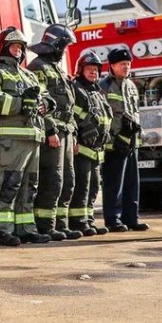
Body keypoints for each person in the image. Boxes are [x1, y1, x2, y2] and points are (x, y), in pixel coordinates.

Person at [0, 27, 53, 246]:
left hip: (32, 137)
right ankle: (2, 231)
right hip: (8, 138)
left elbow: (46, 98)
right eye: (14, 46)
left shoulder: (29, 75)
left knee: (29, 186)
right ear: (3, 47)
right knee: (6, 184)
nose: (18, 51)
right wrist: (21, 103)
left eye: (21, 47)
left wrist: (46, 105)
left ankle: (25, 229)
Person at [27, 24, 83, 240]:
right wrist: (50, 130)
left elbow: (68, 104)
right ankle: (45, 225)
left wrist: (74, 133)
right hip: (54, 133)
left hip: (67, 132)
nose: (66, 50)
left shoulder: (56, 68)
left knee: (67, 180)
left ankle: (61, 224)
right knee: (52, 180)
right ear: (56, 44)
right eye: (65, 46)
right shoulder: (38, 67)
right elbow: (41, 103)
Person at [99, 48, 150, 232]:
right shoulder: (103, 86)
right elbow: (103, 115)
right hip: (114, 144)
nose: (126, 67)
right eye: (123, 64)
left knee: (132, 183)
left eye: (128, 64)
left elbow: (135, 112)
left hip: (131, 143)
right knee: (114, 184)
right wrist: (116, 135)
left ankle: (132, 218)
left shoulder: (131, 86)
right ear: (112, 66)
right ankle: (113, 219)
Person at [69, 51, 113, 236]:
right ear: (81, 70)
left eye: (95, 70)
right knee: (82, 186)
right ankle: (78, 222)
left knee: (94, 186)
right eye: (89, 69)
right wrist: (74, 138)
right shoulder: (76, 89)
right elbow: (71, 114)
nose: (93, 73)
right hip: (82, 147)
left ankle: (88, 220)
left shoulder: (97, 91)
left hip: (96, 148)